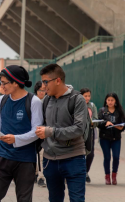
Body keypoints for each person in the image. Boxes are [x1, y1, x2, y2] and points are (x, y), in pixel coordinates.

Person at [0, 65, 43, 201]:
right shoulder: (2, 100)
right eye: (1, 82)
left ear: (16, 82)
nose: (2, 86)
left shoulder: (33, 101)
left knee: (24, 199)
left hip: (25, 159)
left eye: (4, 83)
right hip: (2, 156)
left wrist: (16, 139)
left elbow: (37, 132)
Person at [36, 64, 87, 202]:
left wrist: (50, 132)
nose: (43, 86)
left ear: (58, 80)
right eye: (42, 82)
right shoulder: (46, 100)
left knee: (77, 199)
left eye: (46, 82)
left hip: (74, 159)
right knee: (54, 199)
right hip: (50, 160)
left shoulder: (77, 99)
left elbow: (78, 129)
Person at [97, 93, 125, 185]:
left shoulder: (119, 111)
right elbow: (98, 123)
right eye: (108, 100)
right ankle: (107, 176)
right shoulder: (102, 111)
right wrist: (106, 123)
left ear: (115, 101)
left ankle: (114, 175)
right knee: (107, 157)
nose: (110, 102)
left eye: (112, 100)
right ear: (106, 101)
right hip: (104, 137)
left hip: (116, 138)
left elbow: (122, 124)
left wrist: (120, 127)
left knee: (116, 157)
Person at [80, 88, 98, 183]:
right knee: (80, 153)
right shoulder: (78, 105)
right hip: (80, 133)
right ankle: (80, 172)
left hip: (90, 132)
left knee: (90, 154)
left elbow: (95, 118)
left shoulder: (92, 105)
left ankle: (86, 171)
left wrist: (92, 123)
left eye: (89, 96)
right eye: (85, 96)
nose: (87, 98)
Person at [33, 81, 46, 187]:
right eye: (40, 90)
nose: (42, 92)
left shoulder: (48, 101)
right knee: (35, 154)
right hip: (33, 132)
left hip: (44, 132)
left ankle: (41, 177)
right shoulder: (32, 101)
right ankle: (36, 173)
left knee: (41, 154)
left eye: (43, 90)